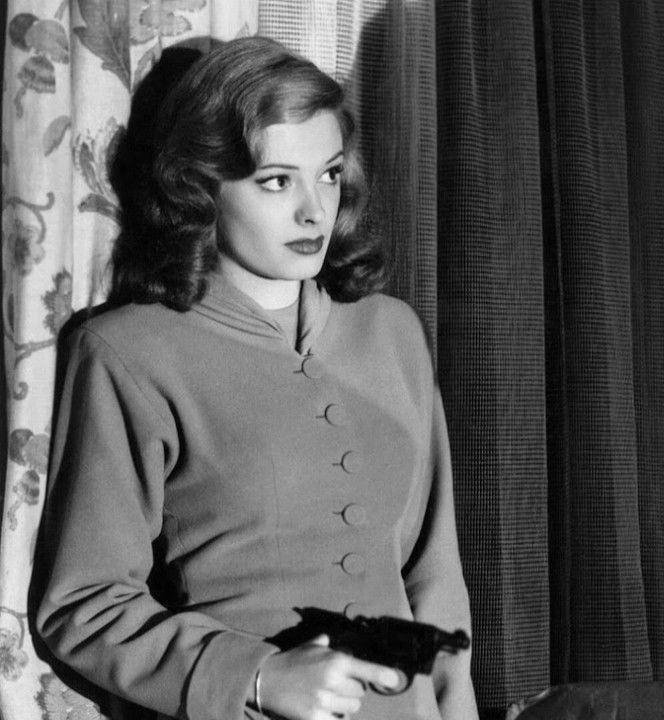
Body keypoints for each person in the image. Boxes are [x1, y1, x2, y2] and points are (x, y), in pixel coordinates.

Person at [34, 37, 479, 720]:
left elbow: (434, 576)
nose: (314, 211)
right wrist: (259, 677)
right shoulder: (126, 351)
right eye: (277, 181)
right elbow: (83, 604)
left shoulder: (392, 333)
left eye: (329, 175)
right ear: (201, 185)